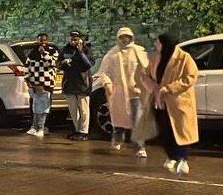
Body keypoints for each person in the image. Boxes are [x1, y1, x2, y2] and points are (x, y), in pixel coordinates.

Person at [144, 34, 199, 175]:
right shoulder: (156, 58)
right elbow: (146, 75)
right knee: (165, 130)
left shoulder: (184, 57)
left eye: (158, 41)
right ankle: (171, 157)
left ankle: (182, 159)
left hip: (179, 102)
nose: (155, 44)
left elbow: (191, 77)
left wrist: (169, 88)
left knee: (180, 131)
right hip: (161, 102)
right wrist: (154, 88)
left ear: (165, 43)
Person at [98, 27, 150, 158]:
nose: (124, 39)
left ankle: (140, 147)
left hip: (134, 92)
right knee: (119, 118)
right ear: (118, 38)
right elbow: (104, 72)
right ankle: (118, 140)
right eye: (122, 37)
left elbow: (147, 69)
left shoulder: (138, 51)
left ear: (131, 37)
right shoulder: (112, 54)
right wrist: (107, 84)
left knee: (137, 119)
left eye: (127, 36)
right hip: (119, 92)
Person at [59, 30, 93, 141]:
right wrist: (63, 63)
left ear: (80, 40)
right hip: (69, 83)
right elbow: (58, 64)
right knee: (73, 110)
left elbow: (88, 64)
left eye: (76, 39)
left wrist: (80, 52)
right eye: (72, 38)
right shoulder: (65, 49)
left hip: (83, 84)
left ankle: (84, 132)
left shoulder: (86, 49)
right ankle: (77, 129)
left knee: (83, 109)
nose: (73, 41)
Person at [23, 33, 59, 138]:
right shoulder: (32, 53)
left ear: (47, 41)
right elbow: (27, 66)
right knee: (34, 106)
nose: (41, 43)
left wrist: (44, 54)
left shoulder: (52, 51)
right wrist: (27, 79)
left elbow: (51, 64)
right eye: (39, 41)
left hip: (46, 83)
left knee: (44, 106)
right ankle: (34, 127)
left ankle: (42, 127)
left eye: (43, 40)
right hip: (34, 83)